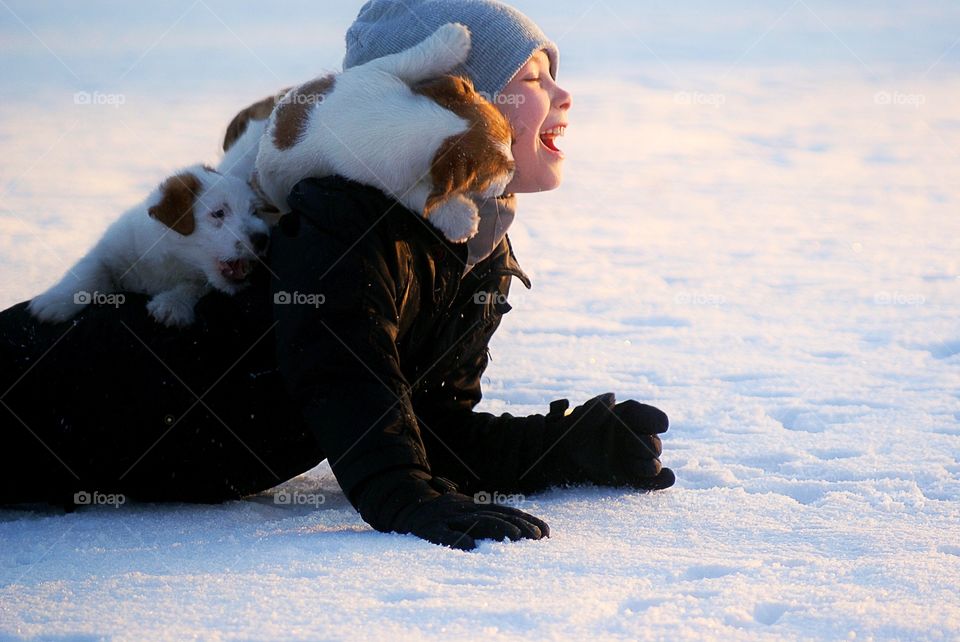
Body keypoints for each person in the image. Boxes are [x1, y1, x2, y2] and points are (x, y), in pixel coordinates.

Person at [0, 0, 674, 550]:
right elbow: (339, 372)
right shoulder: (347, 218)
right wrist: (403, 499)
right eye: (531, 78)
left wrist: (569, 446)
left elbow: (429, 428)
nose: (563, 94)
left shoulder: (472, 244)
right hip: (44, 393)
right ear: (447, 102)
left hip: (115, 452)